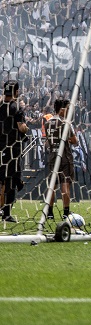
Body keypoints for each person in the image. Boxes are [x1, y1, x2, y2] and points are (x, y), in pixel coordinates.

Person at [43, 98, 77, 221]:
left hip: (52, 156)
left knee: (52, 185)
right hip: (64, 157)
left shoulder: (47, 123)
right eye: (67, 108)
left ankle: (50, 213)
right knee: (65, 185)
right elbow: (75, 141)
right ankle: (66, 212)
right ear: (62, 110)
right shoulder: (65, 123)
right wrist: (67, 139)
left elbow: (47, 141)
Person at [0, 81, 28, 223]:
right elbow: (21, 127)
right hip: (12, 149)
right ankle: (6, 213)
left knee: (1, 179)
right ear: (16, 91)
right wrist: (26, 127)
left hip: (0, 147)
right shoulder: (16, 107)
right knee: (10, 180)